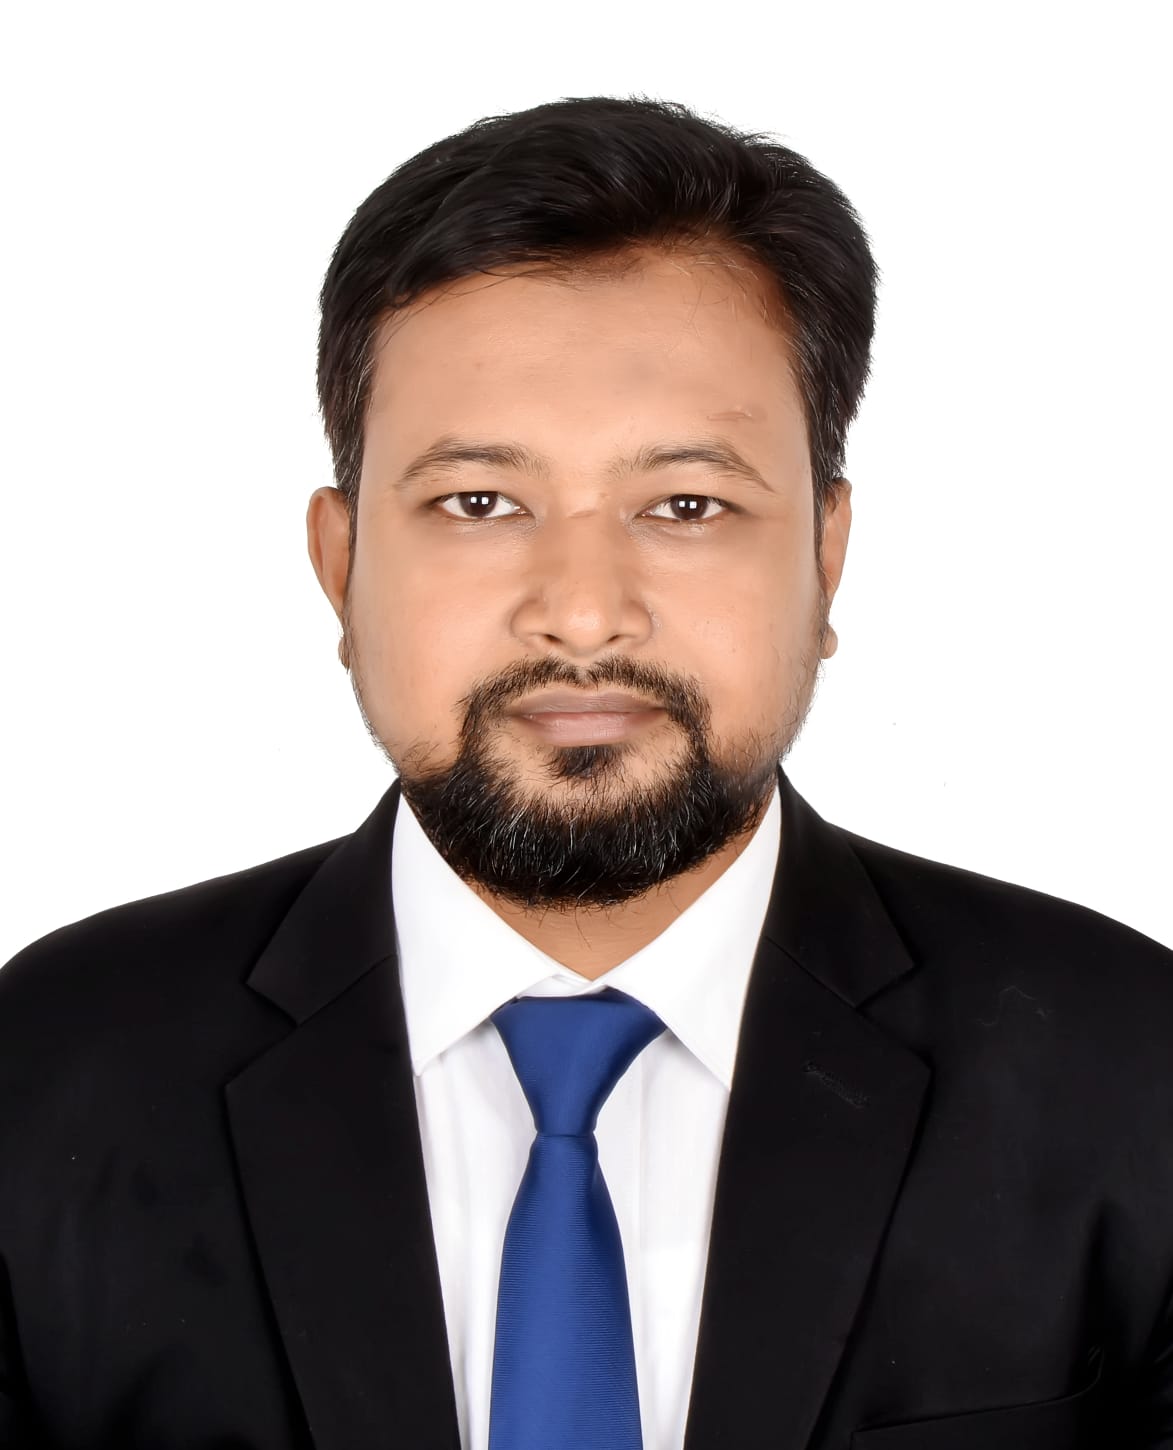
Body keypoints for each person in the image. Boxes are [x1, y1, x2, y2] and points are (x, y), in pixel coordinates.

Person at [1, 93, 1170, 1450]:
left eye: (686, 504)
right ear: (340, 564)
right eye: (478, 502)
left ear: (824, 557)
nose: (581, 612)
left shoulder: (1130, 1071)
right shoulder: (51, 1067)